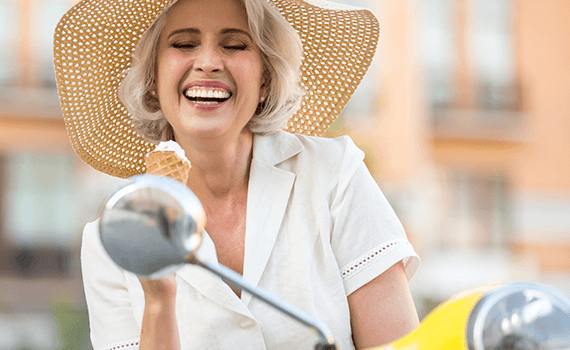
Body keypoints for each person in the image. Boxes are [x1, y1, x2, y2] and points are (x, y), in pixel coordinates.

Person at [53, 0, 421, 349]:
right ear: (152, 78)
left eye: (234, 45)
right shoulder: (111, 240)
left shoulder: (333, 173)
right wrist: (158, 298)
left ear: (265, 78)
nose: (209, 62)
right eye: (184, 43)